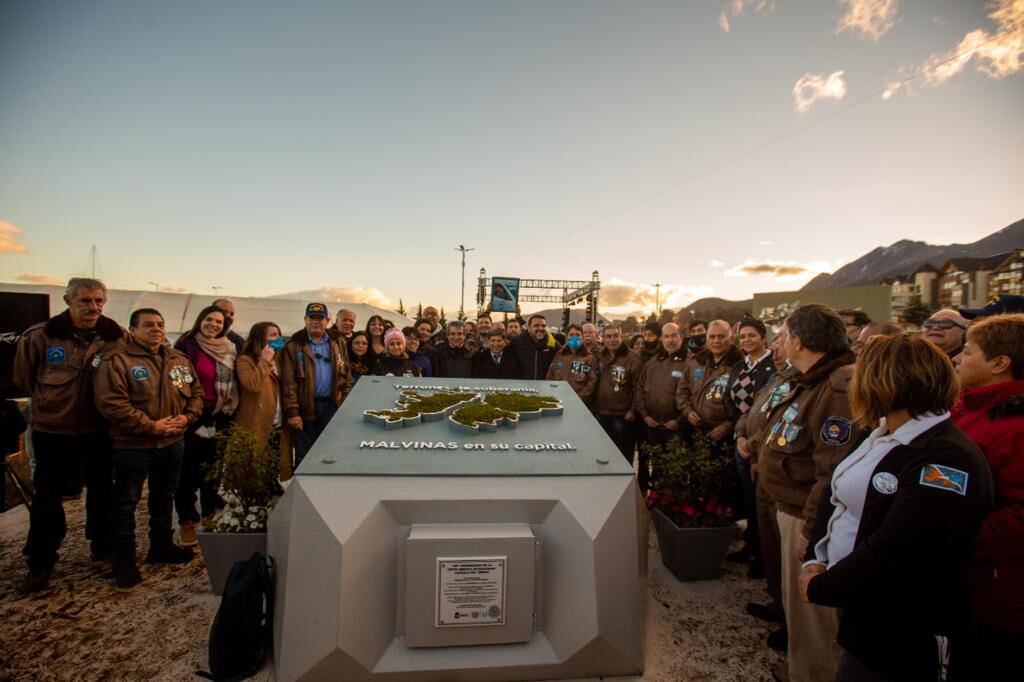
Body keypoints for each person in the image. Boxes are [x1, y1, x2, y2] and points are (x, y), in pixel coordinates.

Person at [801, 334, 993, 681]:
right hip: (858, 602)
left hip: (902, 625)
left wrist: (823, 586)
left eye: (863, 374)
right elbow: (836, 495)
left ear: (888, 382)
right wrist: (816, 559)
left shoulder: (947, 457)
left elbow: (901, 548)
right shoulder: (879, 432)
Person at [759, 303, 857, 682]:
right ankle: (803, 667)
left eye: (783, 334)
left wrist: (813, 530)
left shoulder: (837, 389)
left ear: (799, 341)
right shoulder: (812, 381)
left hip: (806, 516)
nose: (779, 342)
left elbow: (832, 469)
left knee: (812, 613)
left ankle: (814, 673)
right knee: (799, 611)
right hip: (790, 506)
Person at [14, 277, 126, 591]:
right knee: (47, 496)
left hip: (100, 429)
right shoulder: (41, 337)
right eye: (85, 301)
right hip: (53, 430)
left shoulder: (116, 338)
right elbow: (24, 379)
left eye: (99, 301)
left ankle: (101, 545)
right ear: (68, 302)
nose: (93, 307)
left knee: (103, 491)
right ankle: (41, 560)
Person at [94, 308, 205, 588]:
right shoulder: (118, 360)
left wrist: (187, 417)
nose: (155, 329)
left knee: (164, 495)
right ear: (133, 329)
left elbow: (196, 393)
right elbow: (112, 403)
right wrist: (151, 426)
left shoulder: (177, 359)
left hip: (172, 440)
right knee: (126, 503)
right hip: (134, 443)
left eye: (159, 324)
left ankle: (161, 546)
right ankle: (124, 561)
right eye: (148, 325)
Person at [951, 314, 1024, 679]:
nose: (957, 359)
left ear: (1000, 363)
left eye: (967, 351)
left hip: (995, 595)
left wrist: (957, 535)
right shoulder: (971, 408)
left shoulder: (1016, 427)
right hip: (964, 583)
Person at [737, 327, 796, 651]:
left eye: (781, 341)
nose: (776, 348)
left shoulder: (803, 383)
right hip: (756, 457)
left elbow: (780, 423)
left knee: (783, 548)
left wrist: (757, 446)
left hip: (778, 473)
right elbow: (756, 412)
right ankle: (778, 603)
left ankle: (791, 620)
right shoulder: (779, 378)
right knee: (771, 543)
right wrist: (741, 435)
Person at [173, 305, 238, 546]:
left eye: (219, 322)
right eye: (209, 319)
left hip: (220, 414)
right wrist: (191, 409)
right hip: (193, 415)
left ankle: (211, 511)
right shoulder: (186, 346)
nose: (213, 325)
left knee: (214, 467)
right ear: (200, 320)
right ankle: (188, 520)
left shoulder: (230, 348)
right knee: (188, 469)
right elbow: (178, 383)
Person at [724, 317, 776, 573]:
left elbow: (768, 407)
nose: (746, 340)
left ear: (763, 336)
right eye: (742, 336)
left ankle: (762, 556)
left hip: (760, 443)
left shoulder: (774, 366)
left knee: (761, 502)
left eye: (751, 335)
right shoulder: (738, 366)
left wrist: (749, 438)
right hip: (740, 438)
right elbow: (729, 400)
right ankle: (751, 546)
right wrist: (740, 432)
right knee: (748, 497)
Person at [280, 303, 353, 467]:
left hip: (333, 405)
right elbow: (288, 382)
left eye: (320, 318)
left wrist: (345, 401)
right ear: (305, 319)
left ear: (327, 320)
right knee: (305, 456)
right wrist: (292, 411)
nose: (316, 322)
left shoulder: (338, 342)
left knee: (332, 453)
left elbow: (346, 373)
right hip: (306, 408)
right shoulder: (294, 345)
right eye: (312, 317)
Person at [235, 321, 291, 480]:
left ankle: (271, 484)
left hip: (277, 417)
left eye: (279, 334)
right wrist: (265, 360)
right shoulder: (245, 361)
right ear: (260, 338)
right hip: (257, 419)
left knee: (274, 455)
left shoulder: (278, 361)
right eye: (273, 335)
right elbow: (253, 385)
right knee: (256, 458)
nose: (278, 338)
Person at [635, 323, 688, 491]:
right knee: (657, 467)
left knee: (675, 471)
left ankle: (672, 507)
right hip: (653, 425)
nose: (670, 340)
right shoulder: (653, 362)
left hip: (676, 428)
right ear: (662, 339)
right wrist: (645, 416)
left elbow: (692, 396)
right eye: (666, 336)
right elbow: (639, 388)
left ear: (681, 337)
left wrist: (679, 420)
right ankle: (658, 502)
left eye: (674, 336)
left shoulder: (690, 363)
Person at [676, 320, 743, 447]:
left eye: (721, 336)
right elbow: (682, 391)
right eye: (712, 337)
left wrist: (728, 425)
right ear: (707, 340)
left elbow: (746, 406)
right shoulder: (697, 362)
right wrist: (688, 411)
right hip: (694, 432)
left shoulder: (740, 366)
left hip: (723, 437)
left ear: (731, 339)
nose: (716, 341)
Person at [595, 324, 644, 464]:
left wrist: (632, 410)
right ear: (603, 339)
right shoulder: (600, 356)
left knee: (622, 457)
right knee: (603, 455)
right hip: (601, 413)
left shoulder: (633, 358)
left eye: (615, 336)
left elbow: (638, 388)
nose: (612, 339)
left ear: (621, 337)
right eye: (608, 336)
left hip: (622, 416)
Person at [546, 324, 599, 407]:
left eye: (578, 335)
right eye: (571, 335)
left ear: (582, 337)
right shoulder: (559, 355)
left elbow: (592, 383)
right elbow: (550, 376)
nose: (574, 337)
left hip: (579, 404)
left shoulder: (590, 358)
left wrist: (577, 399)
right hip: (558, 401)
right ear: (566, 337)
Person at [511, 314, 560, 380]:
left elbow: (564, 353)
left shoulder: (552, 343)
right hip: (523, 386)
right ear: (529, 328)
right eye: (536, 325)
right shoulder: (518, 342)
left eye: (543, 326)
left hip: (544, 386)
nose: (540, 328)